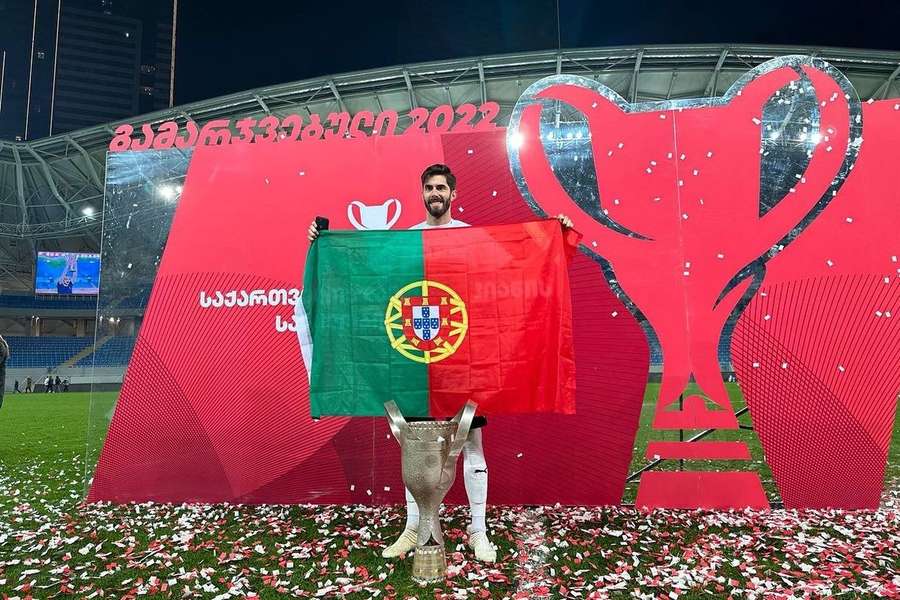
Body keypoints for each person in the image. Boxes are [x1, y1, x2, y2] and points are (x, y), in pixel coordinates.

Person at [307, 163, 573, 563]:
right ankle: (414, 528)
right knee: (414, 451)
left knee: (472, 445)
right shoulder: (408, 240)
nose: (435, 194)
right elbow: (368, 277)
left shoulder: (470, 237)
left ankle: (478, 531)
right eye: (429, 188)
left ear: (453, 194)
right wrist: (322, 242)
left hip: (463, 363)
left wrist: (551, 236)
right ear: (422, 194)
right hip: (415, 362)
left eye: (441, 188)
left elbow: (512, 270)